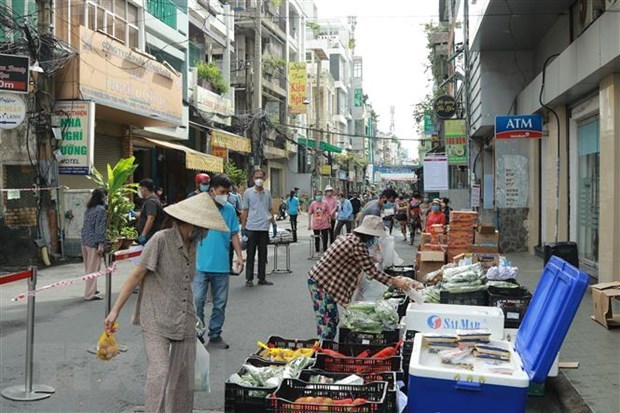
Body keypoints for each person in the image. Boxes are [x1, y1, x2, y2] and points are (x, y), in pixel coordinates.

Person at [103, 193, 229, 413]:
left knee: (183, 378)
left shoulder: (192, 244)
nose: (206, 232)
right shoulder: (160, 240)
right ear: (190, 224)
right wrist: (114, 312)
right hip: (156, 316)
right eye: (204, 227)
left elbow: (185, 283)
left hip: (183, 318)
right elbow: (135, 276)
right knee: (160, 373)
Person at [307, 215, 422, 339]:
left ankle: (325, 348)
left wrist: (371, 259)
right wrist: (396, 282)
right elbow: (372, 272)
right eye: (375, 236)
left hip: (324, 280)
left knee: (333, 319)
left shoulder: (350, 238)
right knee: (327, 323)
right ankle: (321, 352)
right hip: (321, 283)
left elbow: (353, 259)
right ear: (369, 235)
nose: (375, 239)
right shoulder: (357, 245)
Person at [194, 175, 244, 350]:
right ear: (212, 190)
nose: (226, 196)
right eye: (223, 192)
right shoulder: (201, 208)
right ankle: (197, 333)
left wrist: (239, 256)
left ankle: (215, 334)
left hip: (221, 266)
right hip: (200, 265)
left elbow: (234, 234)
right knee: (197, 300)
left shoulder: (229, 210)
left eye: (228, 192)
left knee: (220, 302)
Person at [241, 169, 276, 287]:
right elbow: (244, 210)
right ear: (253, 179)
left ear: (264, 178)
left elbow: (270, 209)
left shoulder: (268, 193)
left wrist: (274, 224)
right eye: (256, 177)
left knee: (263, 254)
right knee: (250, 254)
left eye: (261, 177)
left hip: (264, 228)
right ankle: (249, 278)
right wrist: (243, 227)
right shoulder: (248, 193)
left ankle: (262, 278)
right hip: (251, 227)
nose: (259, 179)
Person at [81, 188, 107, 301]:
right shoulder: (101, 210)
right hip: (93, 243)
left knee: (89, 268)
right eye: (105, 196)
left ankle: (93, 290)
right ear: (102, 197)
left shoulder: (88, 209)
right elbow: (99, 228)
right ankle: (89, 294)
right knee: (93, 269)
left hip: (85, 240)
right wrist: (100, 244)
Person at [136, 178, 165, 246]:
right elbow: (147, 214)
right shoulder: (153, 199)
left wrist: (143, 235)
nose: (139, 191)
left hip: (150, 237)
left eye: (140, 189)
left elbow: (151, 218)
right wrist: (134, 214)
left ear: (145, 189)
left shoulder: (151, 202)